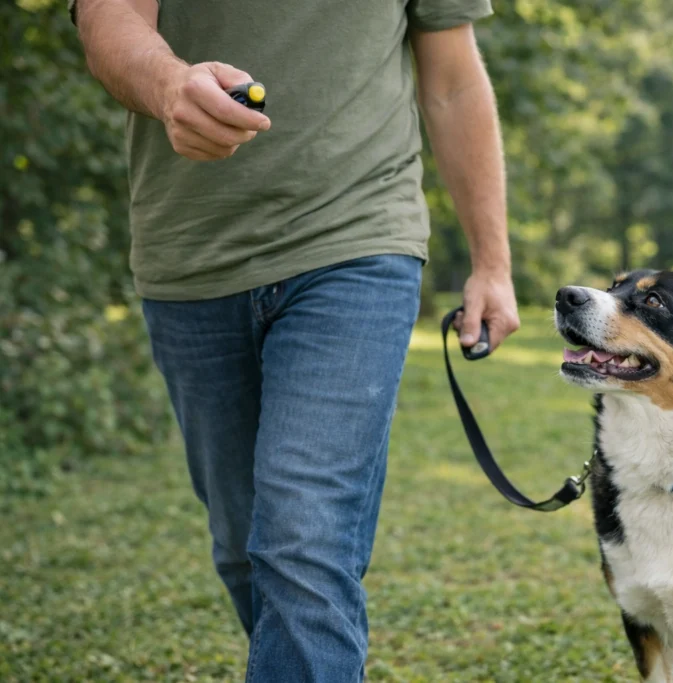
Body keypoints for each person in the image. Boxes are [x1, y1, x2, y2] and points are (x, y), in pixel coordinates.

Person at [72, 1, 519, 680]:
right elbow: (107, 17)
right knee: (247, 548)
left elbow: (453, 78)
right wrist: (171, 87)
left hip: (360, 238)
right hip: (192, 254)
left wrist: (492, 261)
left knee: (302, 537)